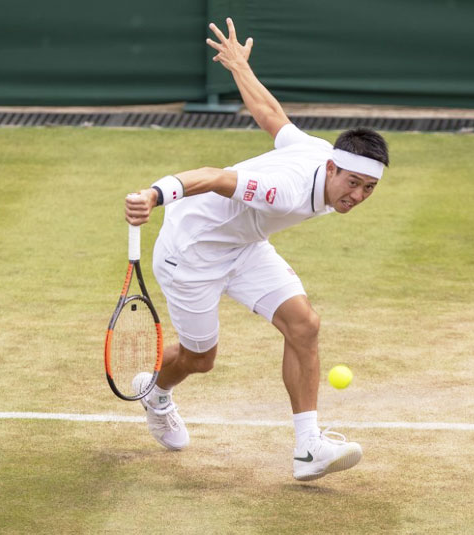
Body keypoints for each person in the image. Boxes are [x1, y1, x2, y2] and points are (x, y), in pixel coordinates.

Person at [125, 18, 389, 481]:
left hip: (244, 247)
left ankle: (309, 449)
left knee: (304, 325)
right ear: (331, 169)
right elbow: (211, 175)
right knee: (199, 359)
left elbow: (272, 116)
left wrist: (239, 68)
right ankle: (156, 394)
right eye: (353, 183)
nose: (357, 196)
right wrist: (154, 194)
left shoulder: (317, 154)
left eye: (368, 188)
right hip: (191, 255)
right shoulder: (281, 190)